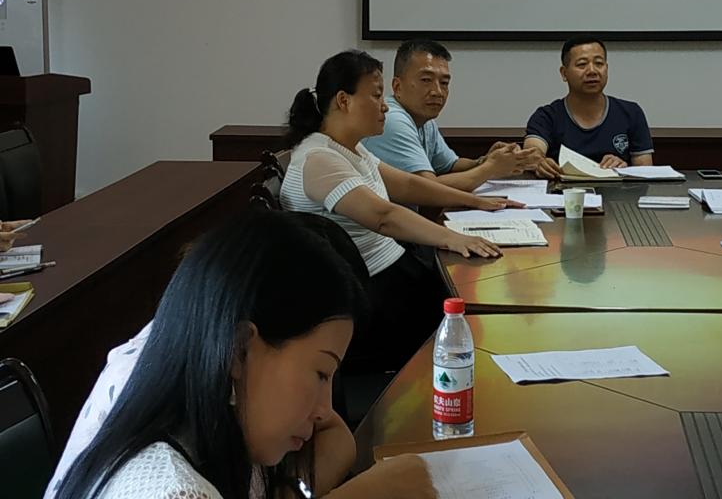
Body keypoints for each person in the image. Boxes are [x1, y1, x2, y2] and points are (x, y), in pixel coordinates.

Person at [53, 208, 437, 499]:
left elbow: (336, 437)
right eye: (321, 373)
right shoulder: (171, 488)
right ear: (239, 349)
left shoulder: (210, 390)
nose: (325, 408)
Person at [280, 50, 512, 368]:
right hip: (372, 296)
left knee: (480, 288)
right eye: (376, 95)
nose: (385, 105)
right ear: (344, 100)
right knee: (477, 310)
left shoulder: (350, 149)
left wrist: (474, 201)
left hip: (395, 273)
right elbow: (383, 217)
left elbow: (407, 184)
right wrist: (453, 238)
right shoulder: (319, 159)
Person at [363, 38, 537, 192]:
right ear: (397, 86)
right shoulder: (391, 120)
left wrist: (486, 160)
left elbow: (451, 165)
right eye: (426, 80)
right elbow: (429, 189)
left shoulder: (424, 120)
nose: (437, 91)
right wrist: (490, 168)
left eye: (444, 82)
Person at [524, 37, 653, 178]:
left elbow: (645, 171)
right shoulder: (546, 116)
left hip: (616, 191)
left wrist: (623, 168)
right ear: (564, 73)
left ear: (607, 69)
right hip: (562, 191)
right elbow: (532, 153)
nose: (592, 71)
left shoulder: (631, 113)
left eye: (599, 63)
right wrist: (540, 163)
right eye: (582, 64)